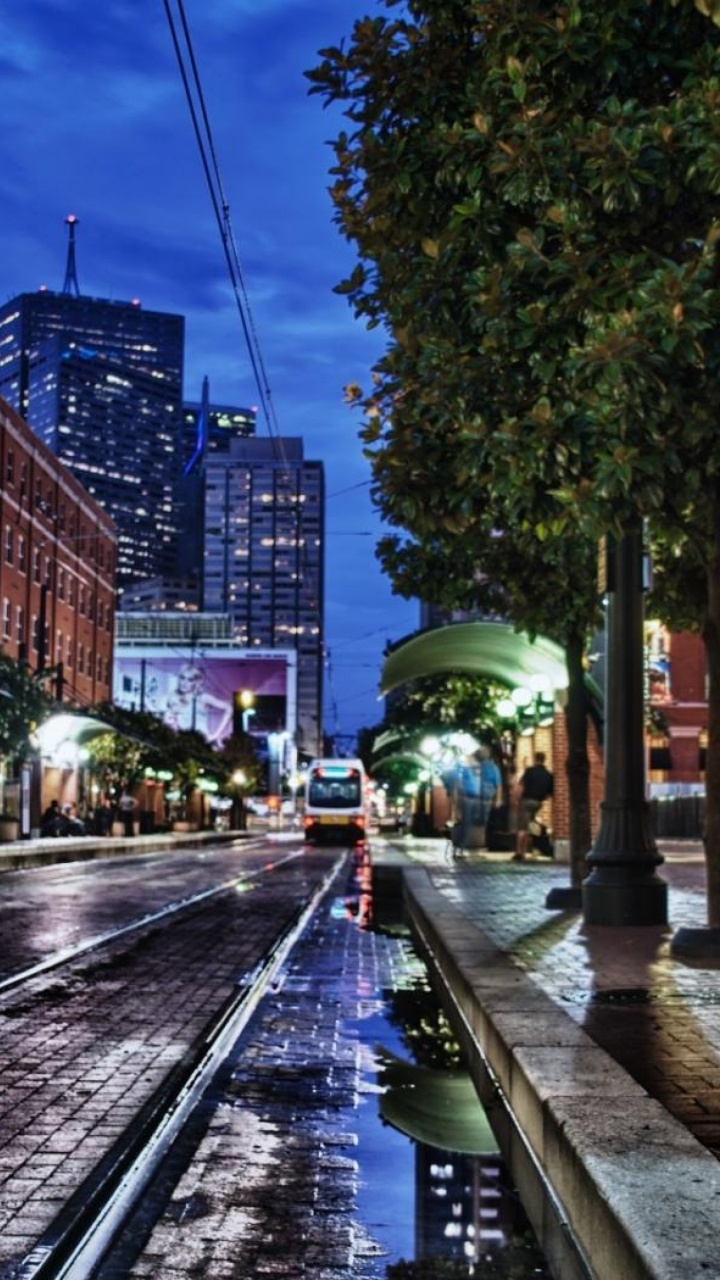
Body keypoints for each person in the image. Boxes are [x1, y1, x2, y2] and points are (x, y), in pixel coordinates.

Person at [163, 663, 234, 746]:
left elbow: (229, 708)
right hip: (184, 743)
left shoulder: (203, 698)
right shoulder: (174, 698)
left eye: (190, 680)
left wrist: (216, 734)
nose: (184, 683)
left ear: (196, 682)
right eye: (182, 678)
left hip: (202, 742)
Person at [515, 751, 554, 860]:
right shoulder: (548, 774)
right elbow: (549, 794)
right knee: (530, 825)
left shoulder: (529, 771)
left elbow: (521, 786)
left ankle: (519, 852)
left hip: (526, 801)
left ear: (535, 759)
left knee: (522, 827)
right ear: (544, 760)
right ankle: (531, 849)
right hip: (538, 803)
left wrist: (517, 800)